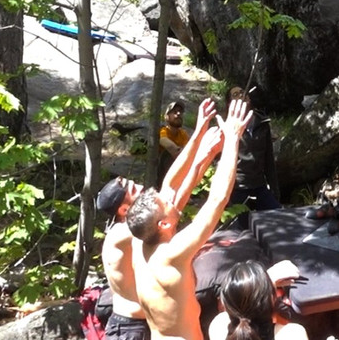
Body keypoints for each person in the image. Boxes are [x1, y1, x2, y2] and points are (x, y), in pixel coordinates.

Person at [96, 98, 224, 340]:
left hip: (143, 324)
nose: (141, 187)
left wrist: (201, 135)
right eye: (133, 190)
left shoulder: (135, 227)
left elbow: (173, 188)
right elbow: (172, 191)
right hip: (128, 328)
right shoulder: (124, 233)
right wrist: (205, 151)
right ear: (124, 209)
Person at [127, 97, 253, 340]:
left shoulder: (140, 240)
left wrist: (203, 144)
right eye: (167, 203)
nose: (172, 199)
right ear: (164, 224)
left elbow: (171, 185)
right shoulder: (170, 254)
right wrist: (233, 139)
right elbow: (217, 200)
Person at [209, 259, 308, 340]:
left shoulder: (218, 328)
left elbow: (238, 309)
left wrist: (263, 286)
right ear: (272, 298)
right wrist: (266, 283)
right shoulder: (292, 334)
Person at [226, 86, 281, 217]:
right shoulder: (227, 126)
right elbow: (221, 161)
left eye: (242, 92)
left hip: (259, 185)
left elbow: (269, 158)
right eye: (235, 94)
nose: (241, 95)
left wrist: (274, 189)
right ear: (229, 104)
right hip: (238, 186)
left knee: (278, 215)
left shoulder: (263, 122)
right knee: (241, 223)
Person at [157, 100, 189, 184]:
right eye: (174, 112)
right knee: (167, 154)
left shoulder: (183, 134)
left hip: (179, 169)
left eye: (180, 112)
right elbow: (164, 141)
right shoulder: (163, 130)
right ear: (166, 116)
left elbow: (189, 149)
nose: (178, 114)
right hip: (161, 172)